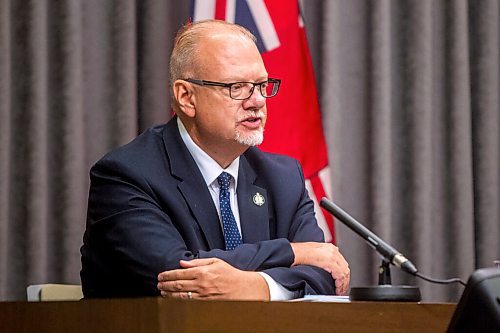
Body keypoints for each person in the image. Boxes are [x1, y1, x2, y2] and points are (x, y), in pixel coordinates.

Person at [80, 20, 349, 301]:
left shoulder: (283, 177)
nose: (257, 100)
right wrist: (293, 252)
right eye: (237, 87)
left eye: (261, 85)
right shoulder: (126, 175)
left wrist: (255, 288)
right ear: (186, 97)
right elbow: (177, 274)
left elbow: (324, 273)